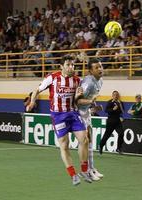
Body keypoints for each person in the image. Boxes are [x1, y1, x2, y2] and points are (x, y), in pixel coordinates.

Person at [27, 55, 92, 186]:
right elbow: (37, 90)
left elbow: (78, 100)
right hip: (58, 116)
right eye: (68, 65)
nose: (71, 67)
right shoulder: (52, 78)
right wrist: (32, 102)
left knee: (84, 140)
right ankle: (73, 174)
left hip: (73, 113)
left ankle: (84, 171)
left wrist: (83, 98)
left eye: (73, 65)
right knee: (64, 145)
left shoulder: (77, 80)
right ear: (61, 66)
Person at [77, 58, 104, 181]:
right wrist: (90, 102)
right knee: (86, 141)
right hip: (78, 112)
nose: (100, 69)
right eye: (96, 67)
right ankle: (86, 170)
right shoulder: (88, 83)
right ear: (90, 71)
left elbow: (91, 98)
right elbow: (77, 101)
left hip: (87, 112)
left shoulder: (100, 81)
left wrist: (94, 106)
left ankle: (92, 168)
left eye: (100, 66)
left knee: (91, 140)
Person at [99, 90, 125, 155]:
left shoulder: (120, 102)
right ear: (112, 95)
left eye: (117, 95)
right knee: (107, 135)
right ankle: (101, 146)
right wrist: (113, 109)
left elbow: (123, 111)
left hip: (117, 121)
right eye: (114, 95)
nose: (116, 96)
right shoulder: (110, 102)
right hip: (110, 121)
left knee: (121, 133)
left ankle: (119, 148)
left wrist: (120, 105)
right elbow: (106, 110)